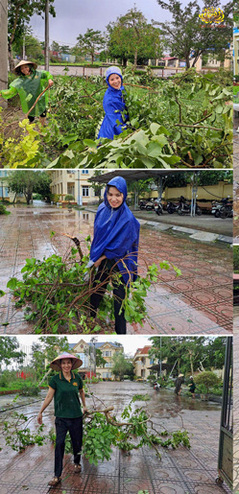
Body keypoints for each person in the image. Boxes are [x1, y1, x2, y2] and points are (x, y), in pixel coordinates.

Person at [88, 177, 140, 335]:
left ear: (124, 195)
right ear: (106, 194)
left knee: (119, 300)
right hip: (103, 257)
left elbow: (120, 246)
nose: (113, 199)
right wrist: (95, 255)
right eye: (110, 194)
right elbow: (98, 234)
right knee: (97, 287)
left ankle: (121, 333)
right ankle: (90, 316)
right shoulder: (102, 209)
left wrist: (99, 259)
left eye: (118, 195)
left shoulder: (128, 219)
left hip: (120, 261)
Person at [37, 353, 87, 487]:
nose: (66, 365)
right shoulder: (55, 380)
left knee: (77, 442)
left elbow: (81, 392)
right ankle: (57, 475)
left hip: (76, 416)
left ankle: (77, 462)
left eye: (68, 363)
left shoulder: (77, 378)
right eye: (63, 363)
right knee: (59, 444)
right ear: (60, 365)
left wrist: (85, 406)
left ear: (72, 364)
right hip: (61, 418)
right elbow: (48, 397)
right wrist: (40, 411)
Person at [97, 66, 128, 140]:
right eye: (112, 79)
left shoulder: (122, 90)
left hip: (123, 123)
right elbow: (114, 121)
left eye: (117, 78)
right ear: (108, 81)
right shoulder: (109, 100)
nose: (116, 81)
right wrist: (125, 133)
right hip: (112, 131)